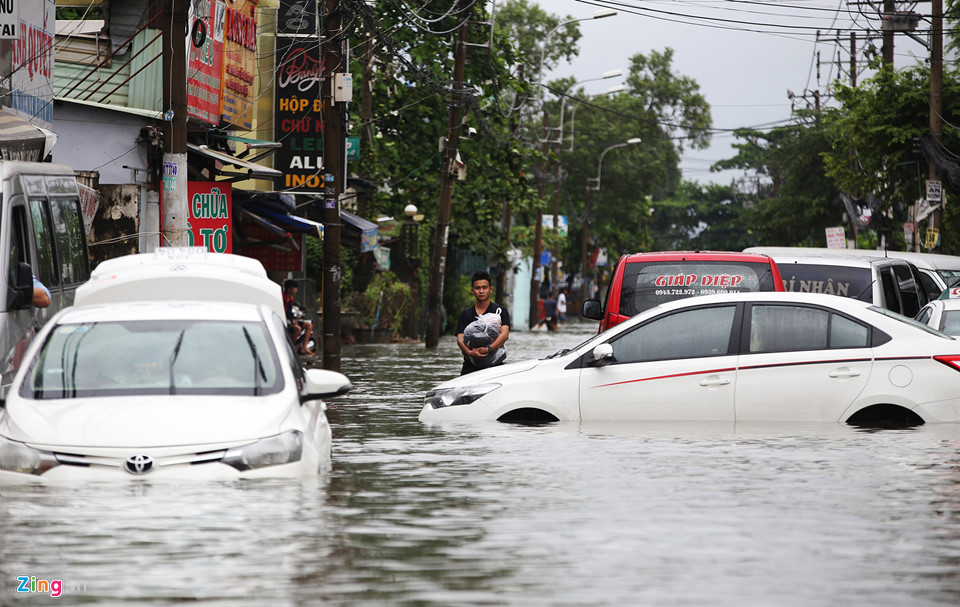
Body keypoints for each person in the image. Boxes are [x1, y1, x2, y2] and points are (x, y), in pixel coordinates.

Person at [456, 270, 510, 375]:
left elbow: (504, 335)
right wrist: (471, 353)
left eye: (484, 288)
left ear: (491, 289)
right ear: (472, 290)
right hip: (470, 367)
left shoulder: (500, 311)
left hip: (495, 366)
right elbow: (460, 339)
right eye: (477, 288)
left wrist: (489, 349)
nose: (481, 291)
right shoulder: (465, 314)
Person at [283, 279, 314, 356]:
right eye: (295, 288)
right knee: (297, 329)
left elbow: (290, 311)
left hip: (291, 320)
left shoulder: (291, 299)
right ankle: (291, 348)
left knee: (309, 325)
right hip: (285, 320)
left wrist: (295, 319)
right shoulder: (283, 298)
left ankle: (304, 347)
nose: (296, 290)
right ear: (289, 289)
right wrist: (292, 320)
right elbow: (285, 311)